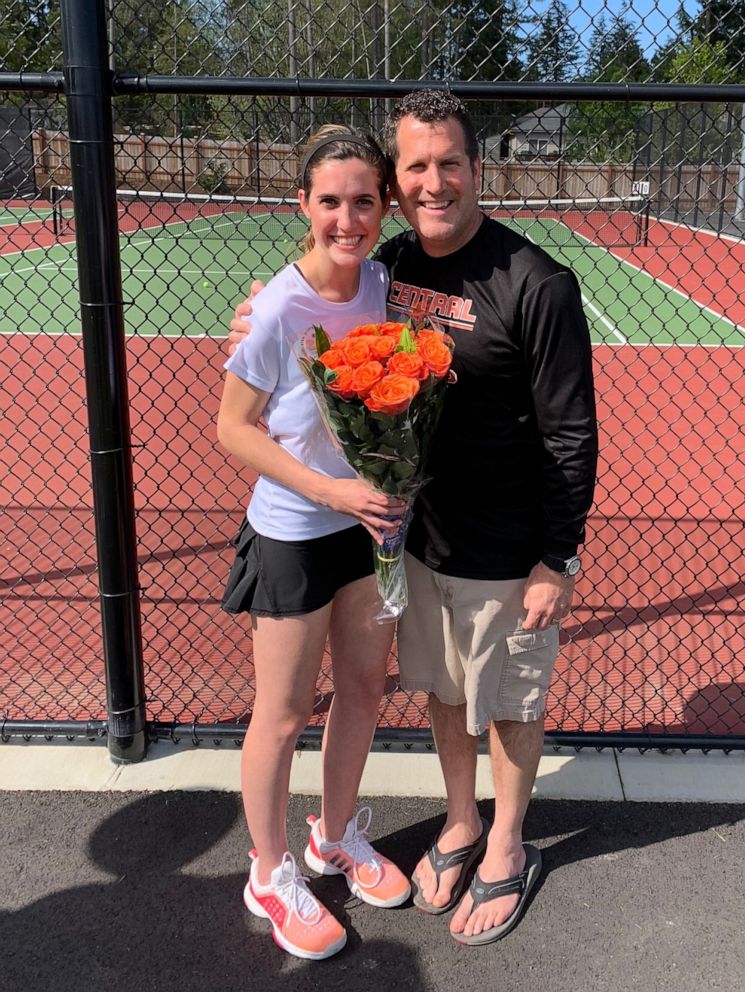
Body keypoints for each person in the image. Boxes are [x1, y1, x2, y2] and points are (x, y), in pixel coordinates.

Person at [229, 91, 598, 946]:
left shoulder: (535, 282)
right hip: (411, 539)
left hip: (507, 548)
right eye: (416, 167)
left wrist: (557, 559)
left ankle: (506, 845)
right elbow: (310, 299)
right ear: (400, 183)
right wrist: (263, 311)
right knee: (437, 692)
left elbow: (570, 434)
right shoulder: (389, 270)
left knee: (506, 702)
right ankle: (459, 823)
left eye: (449, 164)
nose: (434, 182)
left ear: (476, 171)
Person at [217, 124, 412, 961]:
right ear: (304, 205)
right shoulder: (277, 306)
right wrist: (330, 488)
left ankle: (333, 835)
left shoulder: (387, 285)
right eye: (329, 201)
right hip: (295, 532)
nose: (346, 218)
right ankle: (268, 871)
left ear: (385, 206)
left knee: (364, 692)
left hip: (366, 535)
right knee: (286, 711)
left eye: (363, 201)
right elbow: (234, 427)